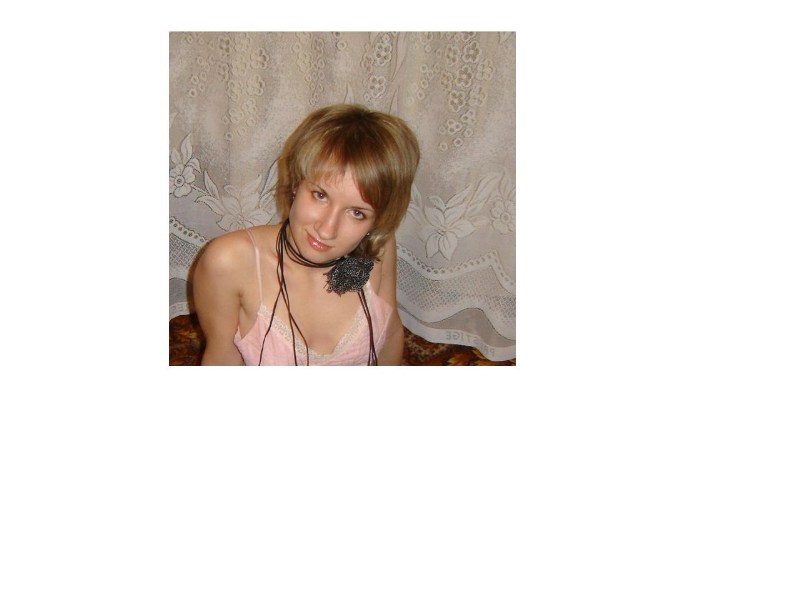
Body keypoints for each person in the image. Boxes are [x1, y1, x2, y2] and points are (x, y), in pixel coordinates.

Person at [193, 104, 420, 365]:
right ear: (296, 183)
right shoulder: (229, 261)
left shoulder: (378, 246)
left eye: (357, 213)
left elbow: (390, 336)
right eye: (320, 195)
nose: (326, 230)